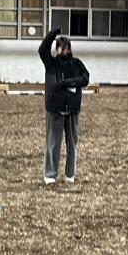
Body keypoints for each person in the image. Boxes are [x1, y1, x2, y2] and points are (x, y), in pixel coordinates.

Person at [39, 27, 90, 184]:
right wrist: (54, 33)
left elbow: (85, 78)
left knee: (72, 143)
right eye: (62, 47)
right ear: (57, 49)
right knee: (53, 143)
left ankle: (70, 174)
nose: (66, 50)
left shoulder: (77, 63)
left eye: (68, 47)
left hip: (72, 108)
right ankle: (50, 174)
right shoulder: (51, 63)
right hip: (55, 108)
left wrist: (67, 83)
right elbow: (42, 49)